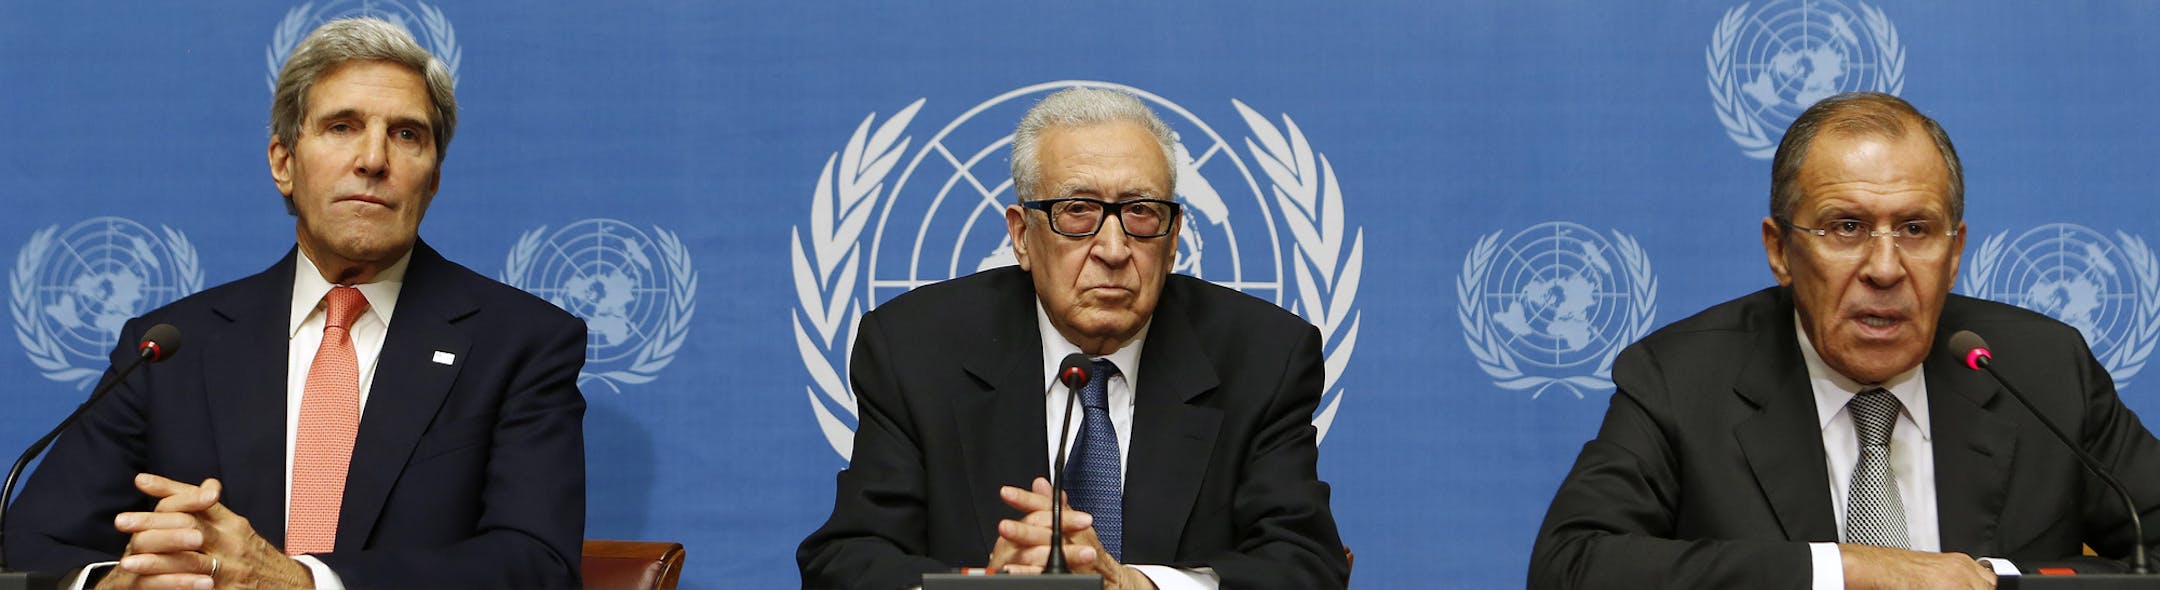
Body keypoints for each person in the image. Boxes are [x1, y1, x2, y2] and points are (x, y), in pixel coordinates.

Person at [0, 17, 587, 589]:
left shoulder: (522, 342)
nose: (374, 159)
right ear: (284, 163)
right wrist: (119, 582)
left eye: (407, 134)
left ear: (432, 179)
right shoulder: (169, 346)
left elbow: (537, 564)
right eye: (342, 127)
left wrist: (303, 582)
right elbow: (33, 543)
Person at [1529, 91, 2160, 589]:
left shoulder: (2043, 369)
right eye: (1846, 226)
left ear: (1956, 249)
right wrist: (1851, 571)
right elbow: (1573, 567)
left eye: (1916, 228)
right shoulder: (1681, 378)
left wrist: (2004, 584)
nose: (1885, 269)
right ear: (1780, 251)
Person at [796, 88, 1349, 590]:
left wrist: (1137, 587)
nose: (1113, 248)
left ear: (1174, 237)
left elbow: (1306, 564)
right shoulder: (914, 348)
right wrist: (986, 586)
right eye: (1077, 212)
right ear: (1021, 235)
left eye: (1140, 213)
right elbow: (845, 562)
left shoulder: (1264, 356)